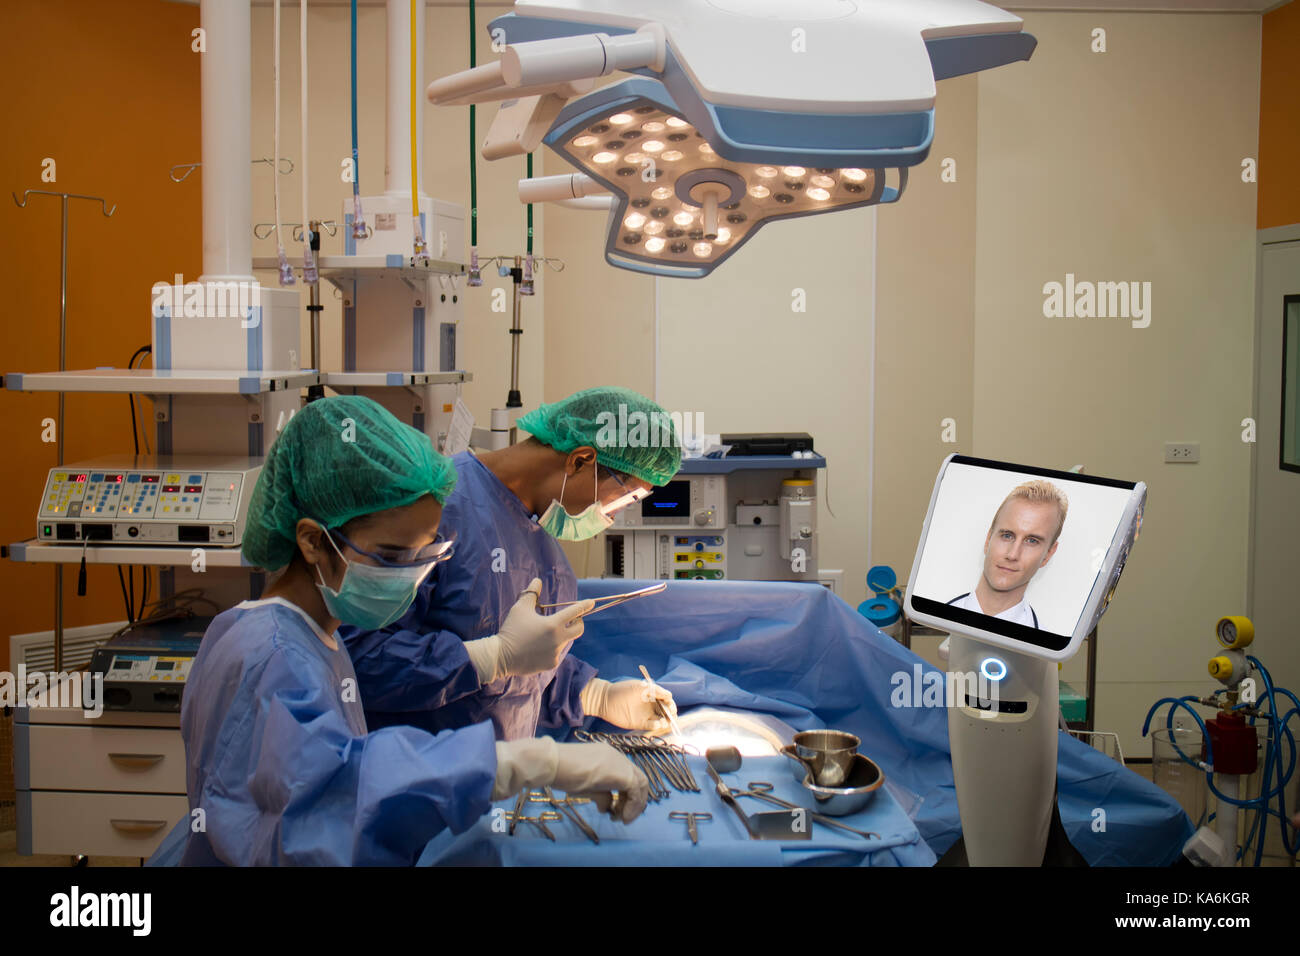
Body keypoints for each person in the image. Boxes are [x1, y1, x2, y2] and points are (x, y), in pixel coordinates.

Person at [151, 395, 648, 866]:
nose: (409, 576)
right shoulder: (275, 657)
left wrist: (592, 695)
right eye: (391, 557)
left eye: (426, 555)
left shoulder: (298, 634)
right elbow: (334, 801)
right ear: (312, 542)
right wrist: (522, 764)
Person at [342, 386, 683, 741]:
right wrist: (490, 657)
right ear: (580, 460)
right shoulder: (435, 512)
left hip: (499, 781)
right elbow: (356, 660)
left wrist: (596, 695)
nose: (612, 516)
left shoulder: (541, 541)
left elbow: (521, 673)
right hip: (419, 775)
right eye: (626, 499)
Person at [947, 479, 1068, 629]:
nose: (1012, 554)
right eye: (1007, 536)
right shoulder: (926, 620)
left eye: (1031, 541)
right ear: (988, 540)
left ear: (1048, 555)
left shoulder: (1045, 650)